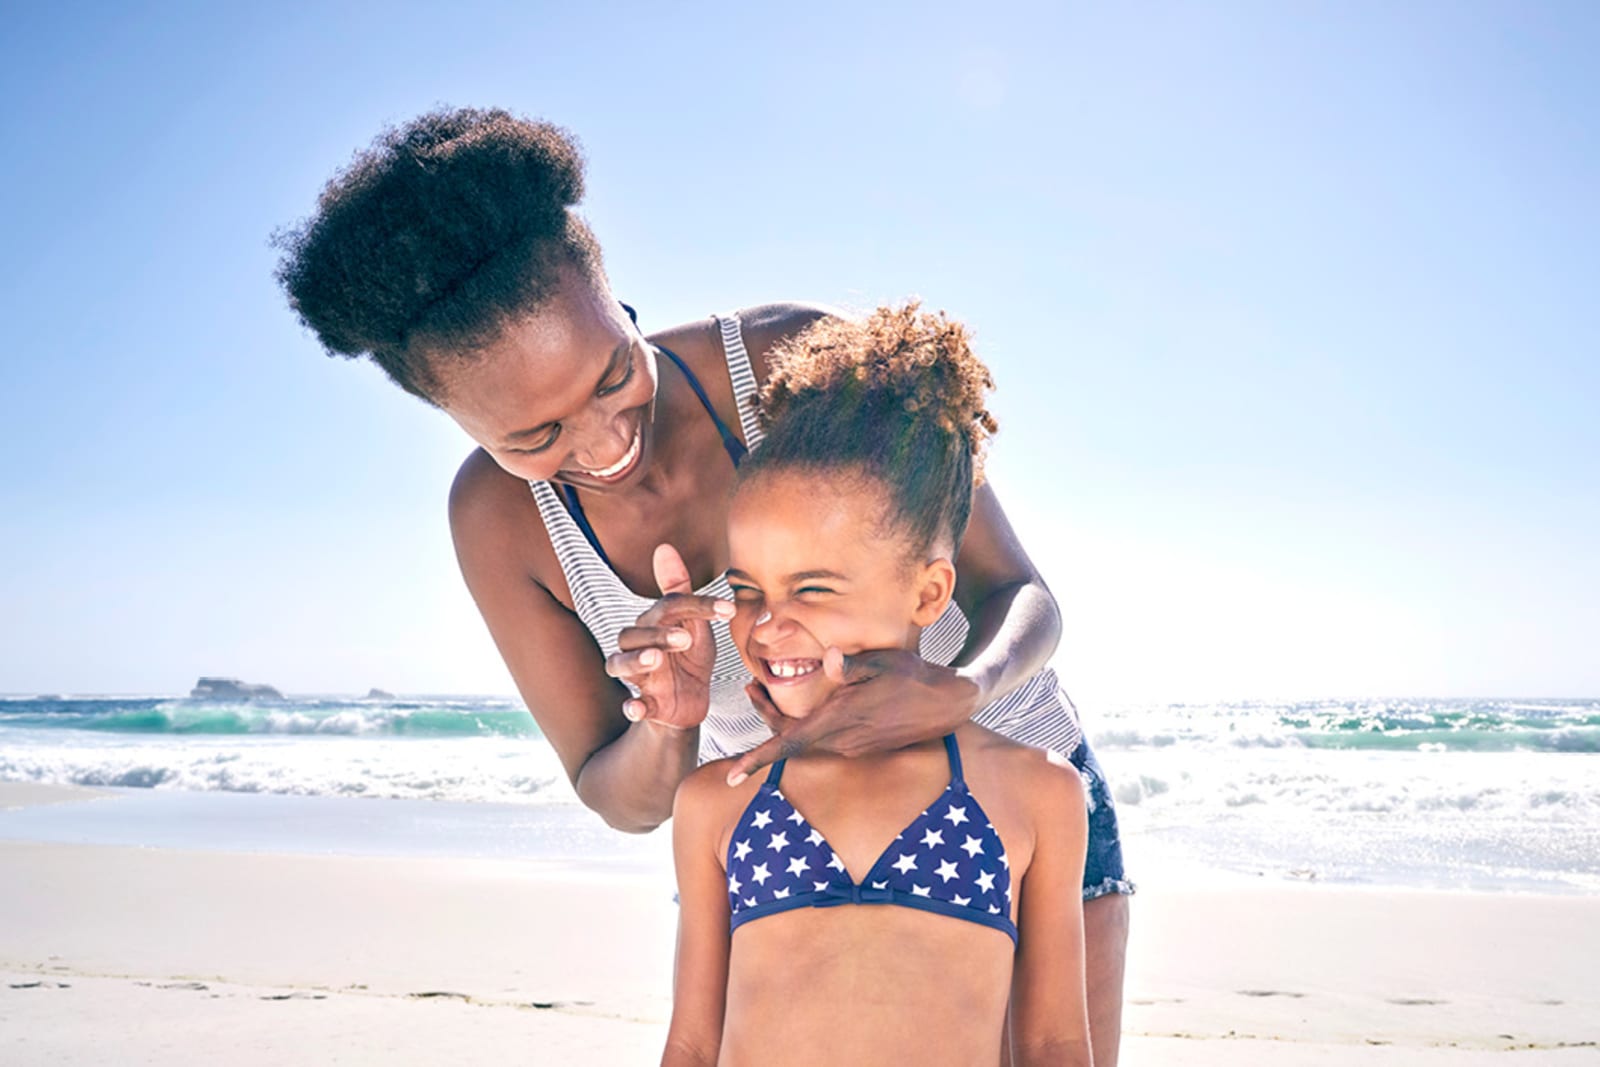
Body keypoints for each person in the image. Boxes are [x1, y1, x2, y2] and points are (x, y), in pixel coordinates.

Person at [274, 106, 1131, 1064]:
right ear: (457, 421)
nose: (603, 443)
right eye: (534, 438)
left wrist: (956, 691)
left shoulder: (784, 362)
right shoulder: (498, 523)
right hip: (781, 849)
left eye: (611, 376)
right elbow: (623, 794)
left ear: (615, 299)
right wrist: (668, 721)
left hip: (1010, 819)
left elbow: (1019, 591)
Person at [663, 304, 1091, 1066]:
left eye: (814, 590)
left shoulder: (1038, 793)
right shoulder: (714, 802)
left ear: (930, 596)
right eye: (748, 589)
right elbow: (693, 1043)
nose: (767, 627)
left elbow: (1054, 1041)